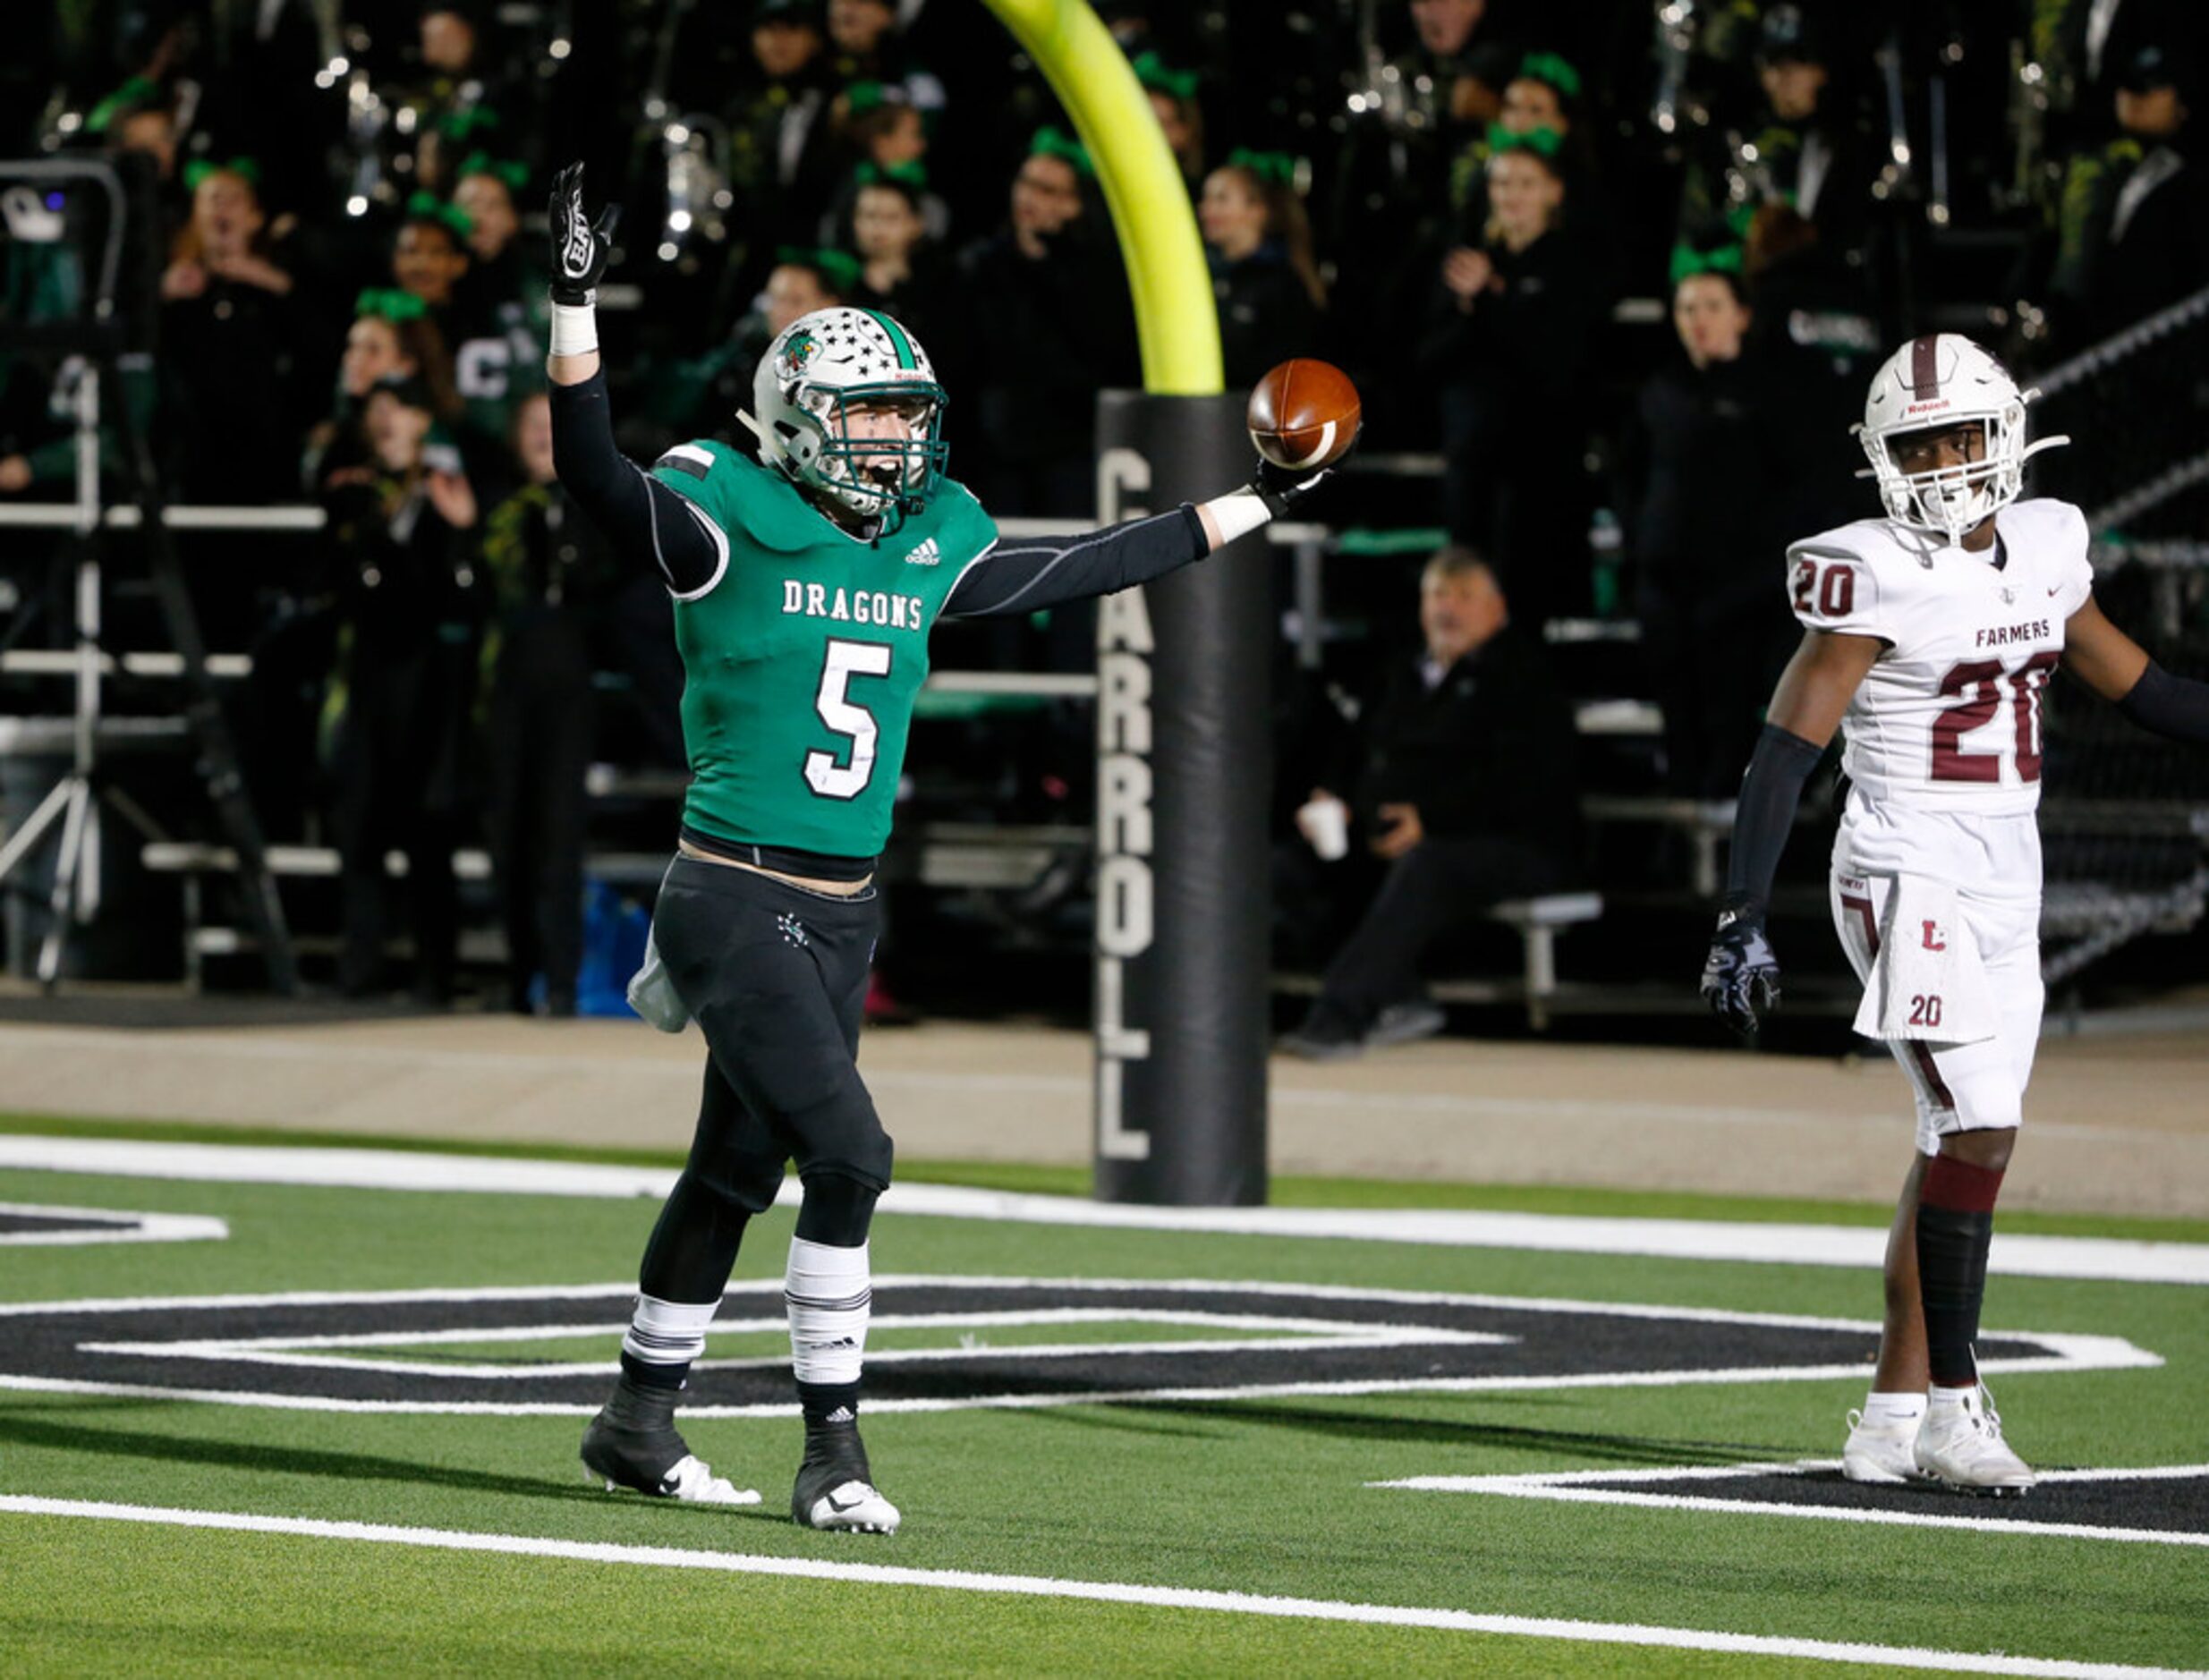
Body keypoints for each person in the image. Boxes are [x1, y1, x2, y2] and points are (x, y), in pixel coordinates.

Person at [540, 164, 1339, 1530]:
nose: (895, 439)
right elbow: (589, 472)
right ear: (796, 422)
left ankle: (635, 1416)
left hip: (843, 910)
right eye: (869, 412)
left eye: (910, 413)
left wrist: (1257, 497)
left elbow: (1084, 562)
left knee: (735, 1169)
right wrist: (573, 303)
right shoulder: (721, 513)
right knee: (850, 1154)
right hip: (729, 892)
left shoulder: (929, 539)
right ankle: (831, 1447)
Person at [1699, 335, 2209, 1493]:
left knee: (1963, 1139)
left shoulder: (2045, 543)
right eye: (1916, 444)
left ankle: (1889, 1411)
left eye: (1959, 437)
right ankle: (1953, 1407)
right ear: (1881, 458)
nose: (1941, 464)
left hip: (2004, 866)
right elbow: (1783, 753)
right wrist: (1741, 909)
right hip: (1900, 861)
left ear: (2008, 434)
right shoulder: (1872, 569)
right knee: (1973, 1114)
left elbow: (2145, 689)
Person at [1279, 549, 1582, 1059]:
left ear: (1497, 609)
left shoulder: (1525, 679)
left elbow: (1524, 783)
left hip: (1512, 844)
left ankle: (1339, 1017)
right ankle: (1400, 995)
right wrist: (1338, 799)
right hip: (1396, 833)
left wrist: (1432, 821)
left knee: (1425, 867)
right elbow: (1357, 748)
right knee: (1293, 867)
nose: (1449, 609)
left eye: (1465, 596)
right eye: (1439, 594)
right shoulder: (1401, 672)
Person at [320, 373, 482, 1003]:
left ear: (422, 422)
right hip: (369, 679)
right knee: (358, 825)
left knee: (427, 832)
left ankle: (433, 973)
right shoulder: (352, 494)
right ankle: (360, 966)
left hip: (429, 687)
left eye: (399, 410)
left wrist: (460, 528)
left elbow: (458, 597)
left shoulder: (446, 490)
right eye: (377, 412)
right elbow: (333, 580)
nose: (385, 422)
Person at [1625, 249, 1799, 797]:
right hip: (1665, 575)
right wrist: (1640, 539)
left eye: (1712, 306)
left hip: (1738, 583)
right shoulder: (1659, 390)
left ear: (1742, 314)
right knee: (1676, 706)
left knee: (1730, 706)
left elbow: (1795, 485)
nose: (1698, 319)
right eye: (1687, 307)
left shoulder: (1769, 390)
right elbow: (1628, 471)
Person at [1422, 130, 1609, 628]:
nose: (1511, 195)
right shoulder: (1467, 261)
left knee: (1528, 601)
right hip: (1472, 457)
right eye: (1502, 183)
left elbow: (1555, 360)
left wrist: (1489, 301)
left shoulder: (1572, 262)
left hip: (1539, 463)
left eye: (1526, 183)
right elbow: (1428, 357)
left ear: (1554, 191)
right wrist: (1473, 308)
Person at [480, 391, 620, 1015]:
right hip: (507, 684)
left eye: (551, 424)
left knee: (559, 839)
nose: (541, 435)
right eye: (531, 425)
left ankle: (559, 982)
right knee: (507, 836)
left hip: (565, 685)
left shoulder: (589, 507)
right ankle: (516, 978)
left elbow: (604, 581)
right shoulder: (496, 508)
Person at [1199, 152, 1324, 390]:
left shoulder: (1283, 285)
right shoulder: (1202, 275)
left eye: (1221, 199)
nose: (1207, 210)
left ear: (1257, 210)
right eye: (1206, 199)